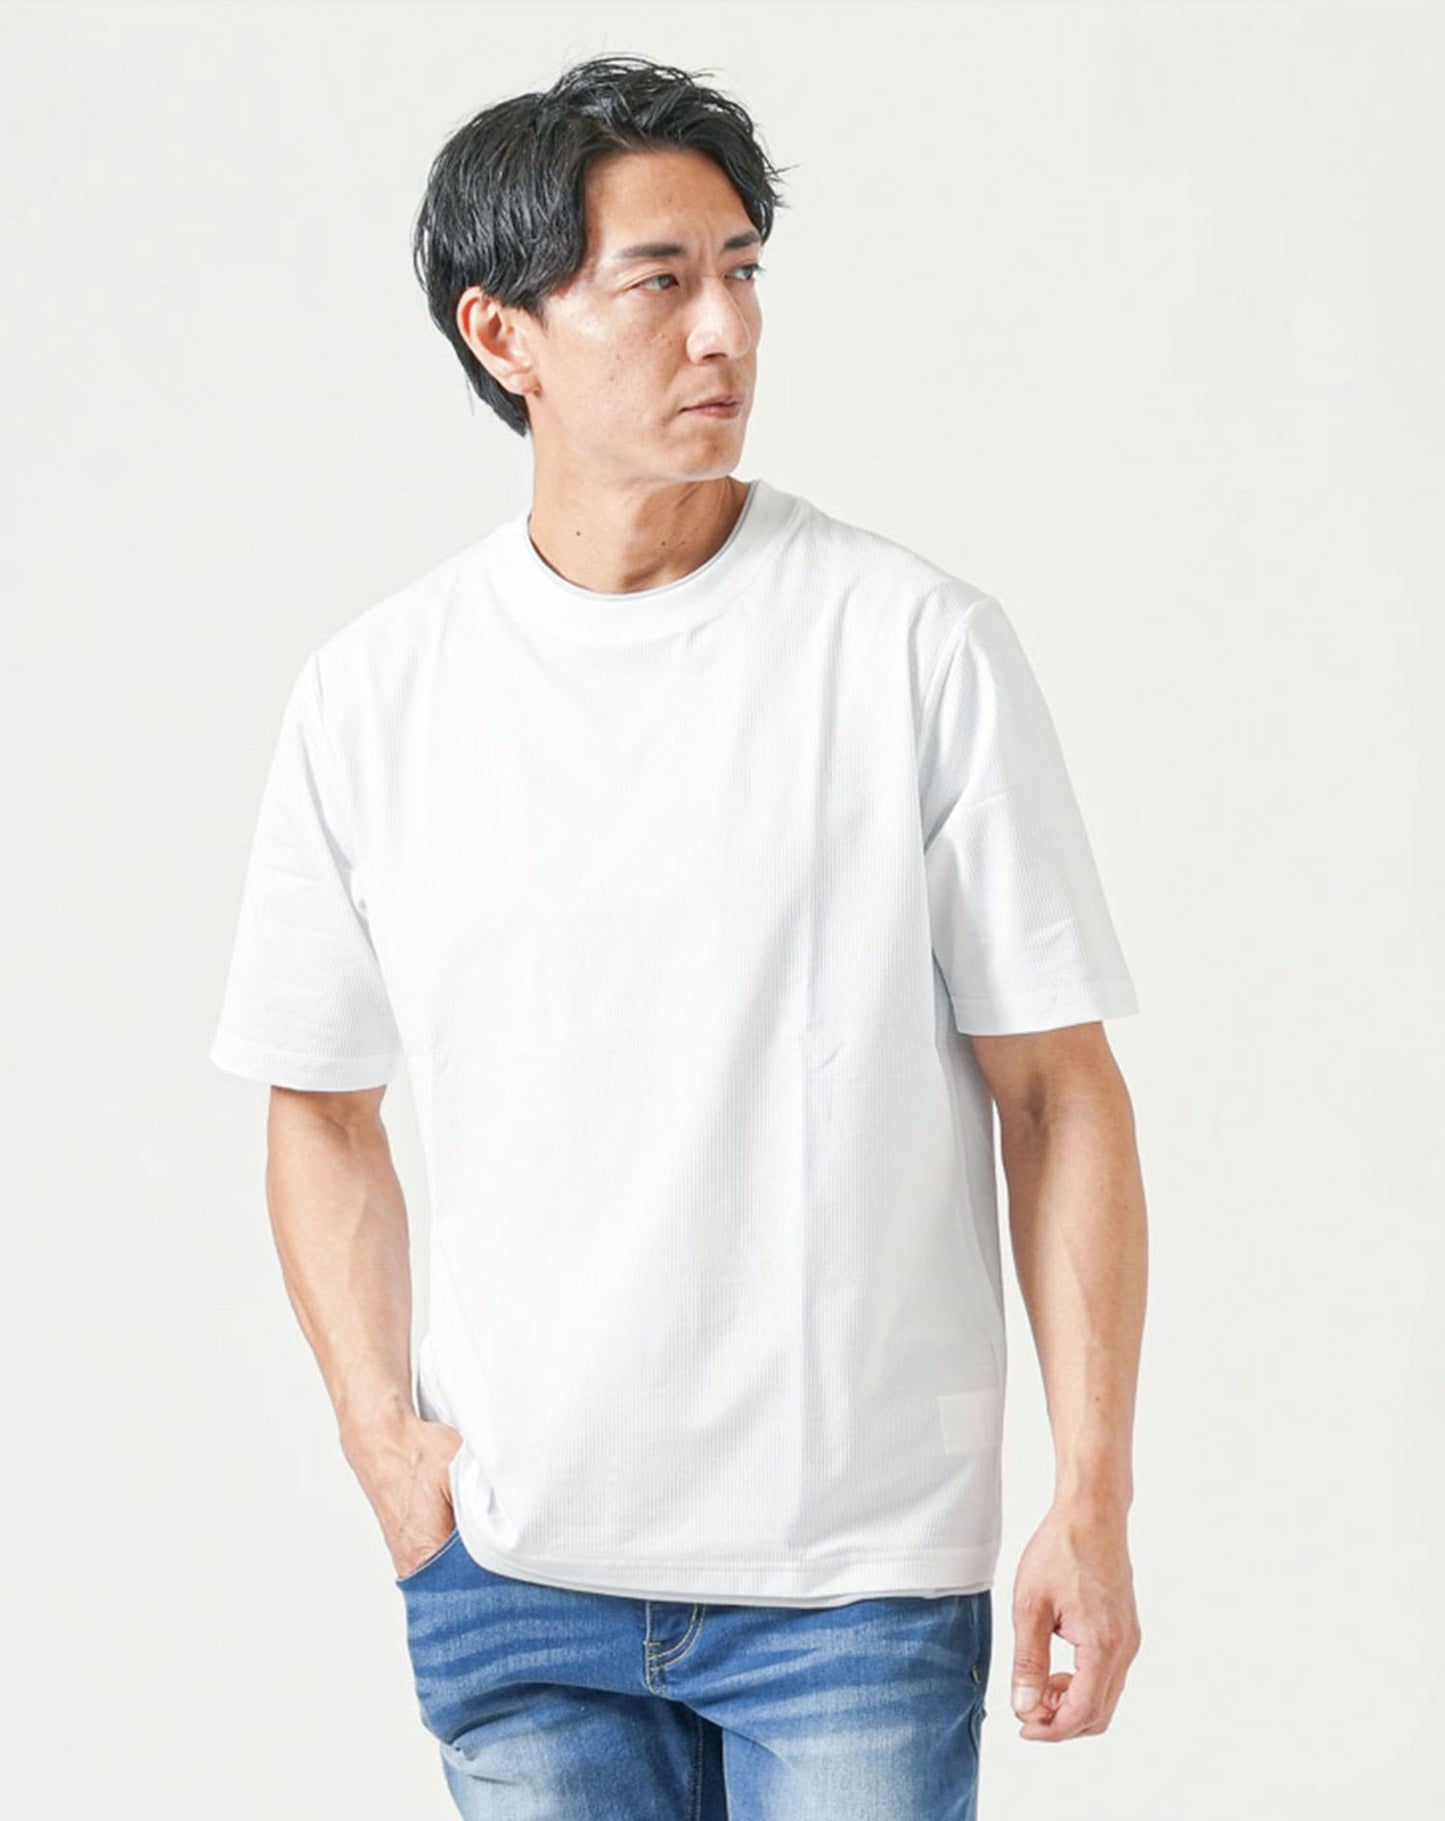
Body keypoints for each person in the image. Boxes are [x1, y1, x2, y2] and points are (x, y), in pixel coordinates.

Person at [209, 52, 1147, 1820]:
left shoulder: (909, 648)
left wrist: (1087, 1498)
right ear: (503, 334)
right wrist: (384, 1445)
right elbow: (318, 1102)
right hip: (514, 1577)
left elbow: (1057, 1088)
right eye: (658, 282)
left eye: (742, 271)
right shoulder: (377, 695)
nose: (725, 330)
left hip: (853, 1581)